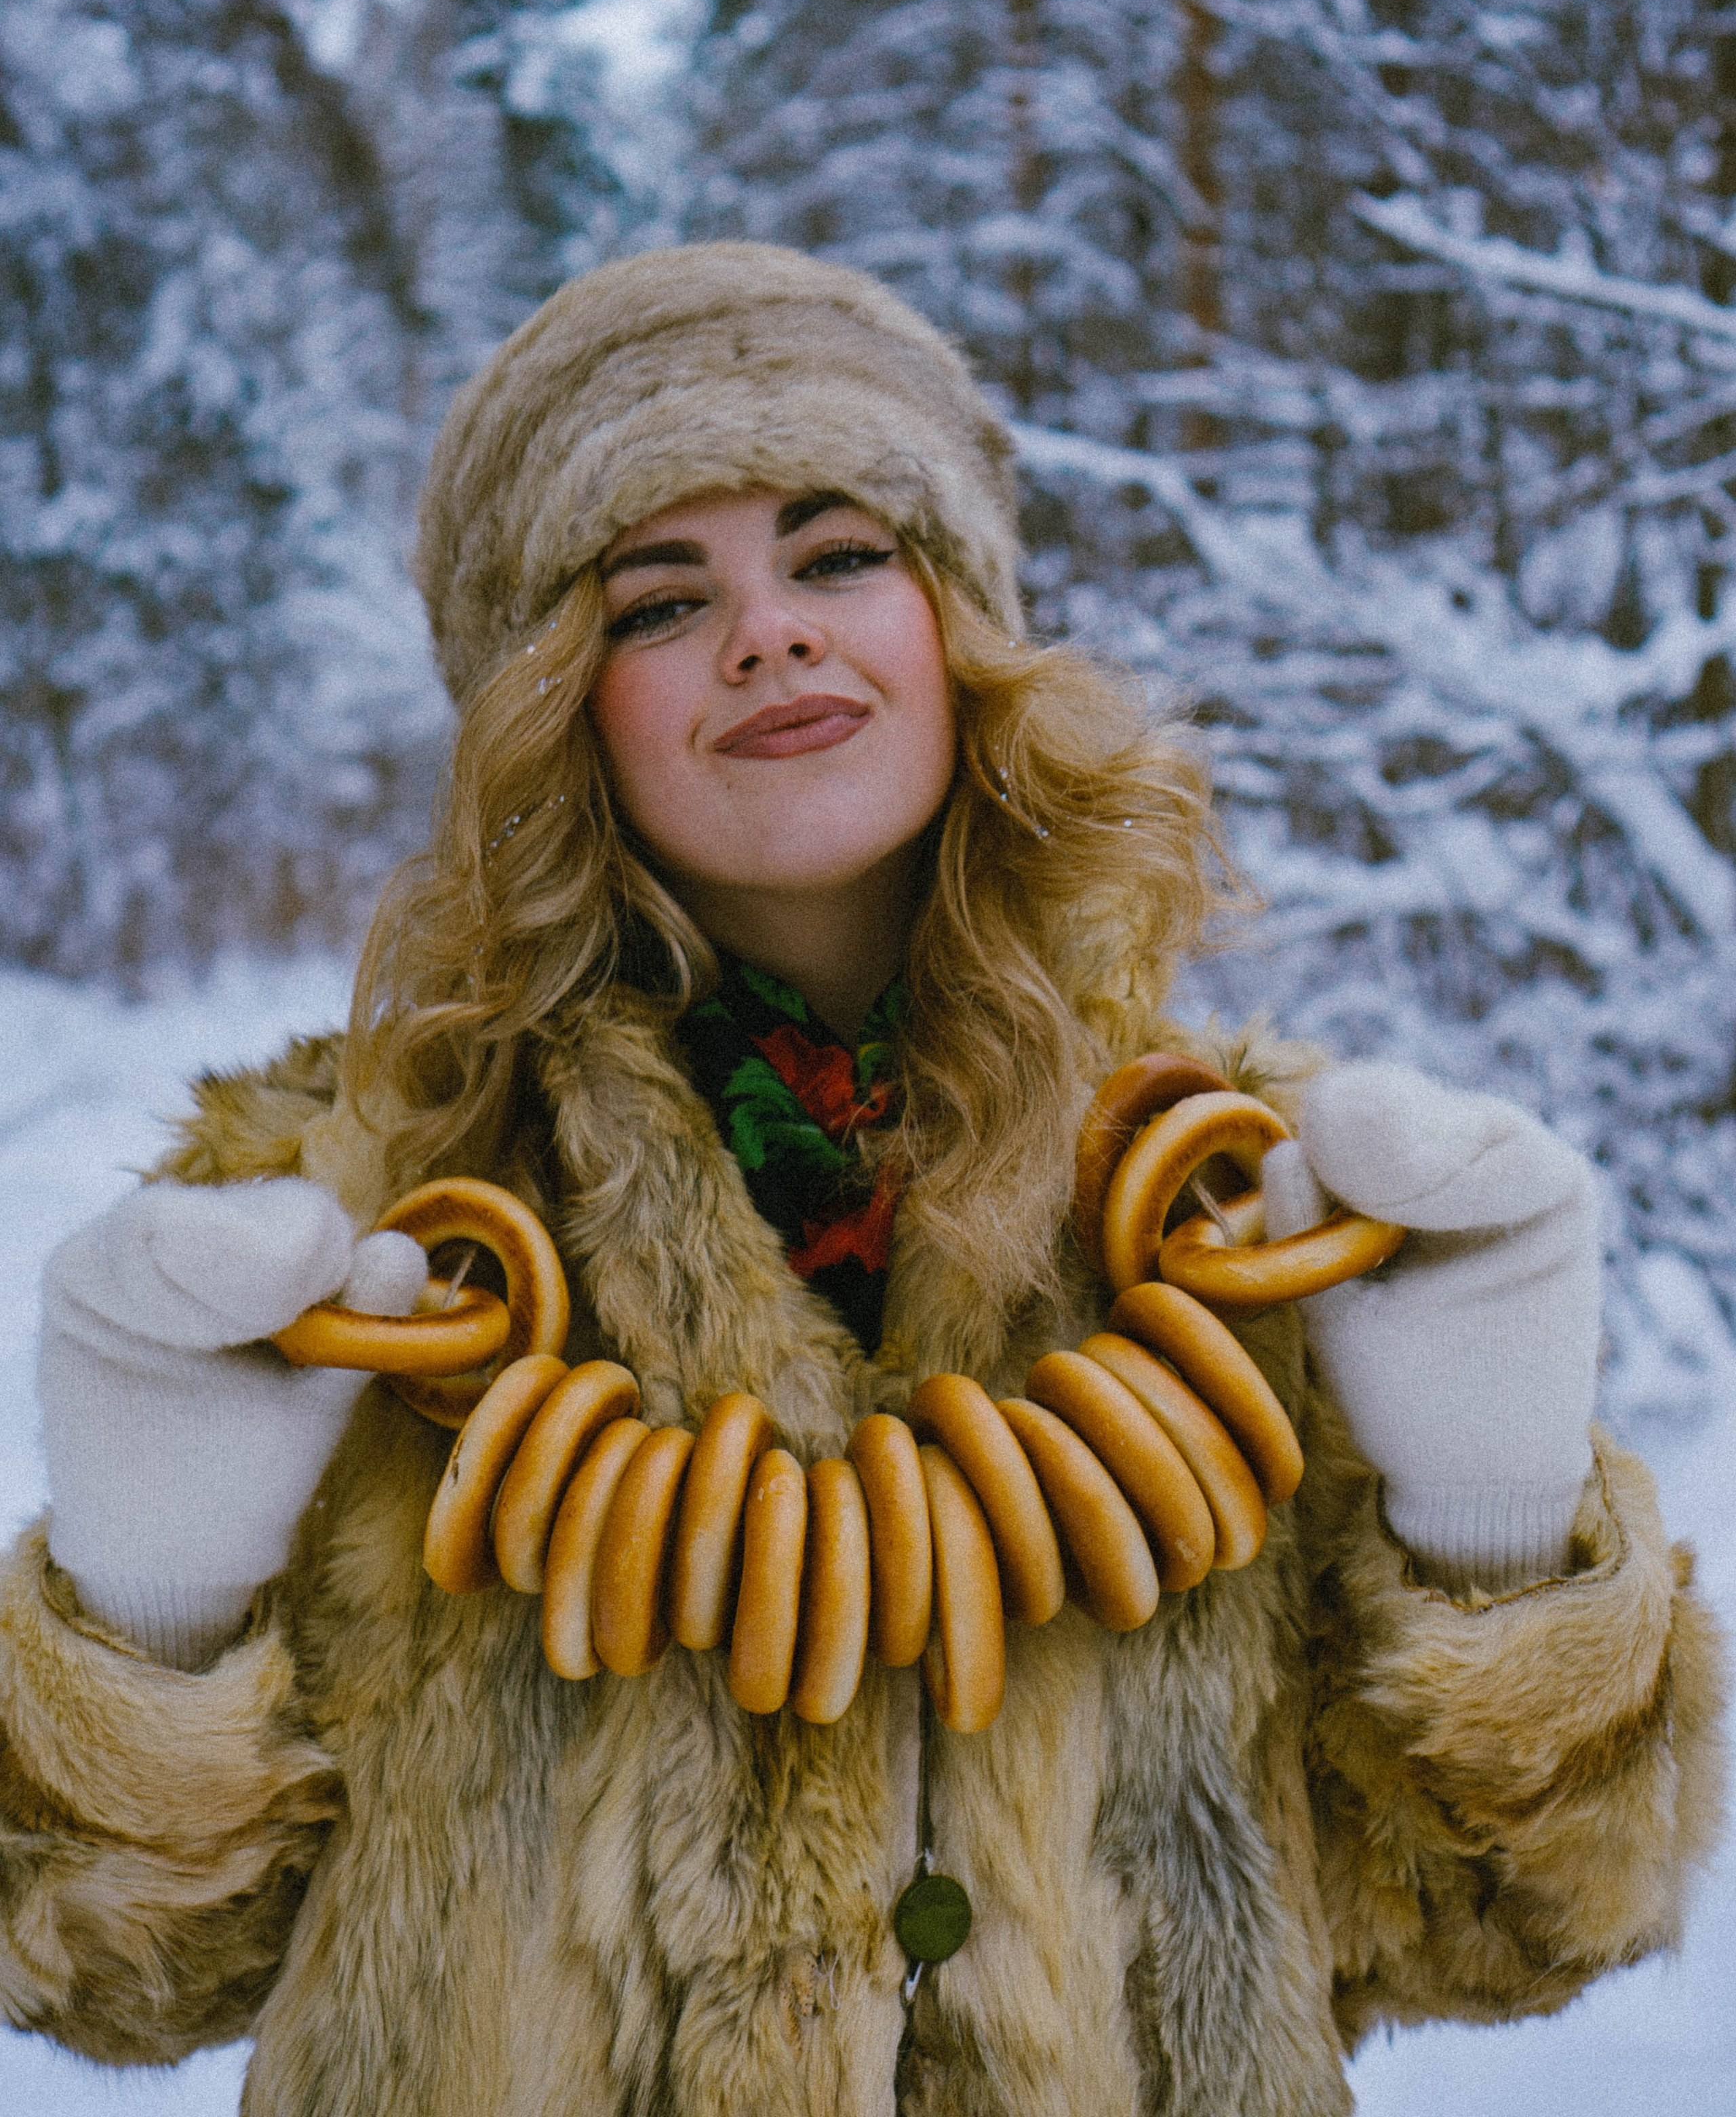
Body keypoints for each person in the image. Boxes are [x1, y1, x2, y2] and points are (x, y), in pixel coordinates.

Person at [1, 243, 1723, 2117]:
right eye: (662, 603)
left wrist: (1494, 1522)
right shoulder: (338, 1240)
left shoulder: (1259, 1217)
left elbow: (1511, 1927)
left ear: (957, 620)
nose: (769, 634)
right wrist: (147, 1606)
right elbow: (119, 1979)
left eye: (837, 558)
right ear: (553, 703)